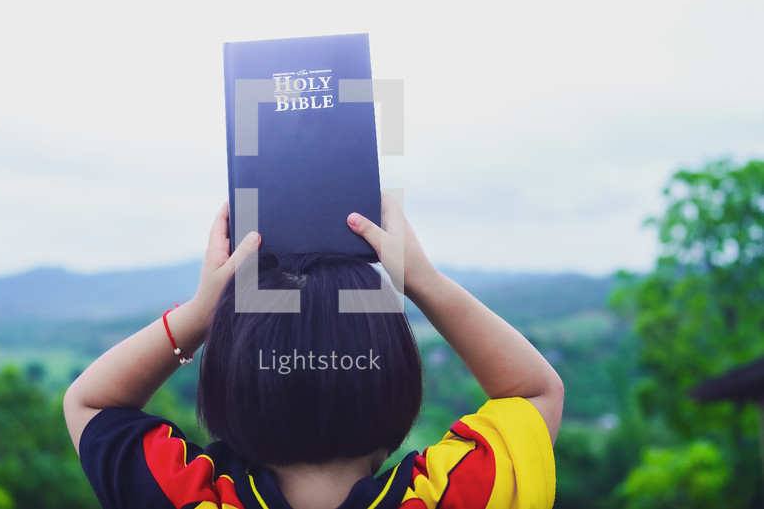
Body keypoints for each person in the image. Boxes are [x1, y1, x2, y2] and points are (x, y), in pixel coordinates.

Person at [64, 195, 564, 509]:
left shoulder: (187, 498)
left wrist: (199, 314)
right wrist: (422, 282)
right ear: (395, 384)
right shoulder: (456, 495)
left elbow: (91, 404)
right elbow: (535, 393)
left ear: (228, 389)